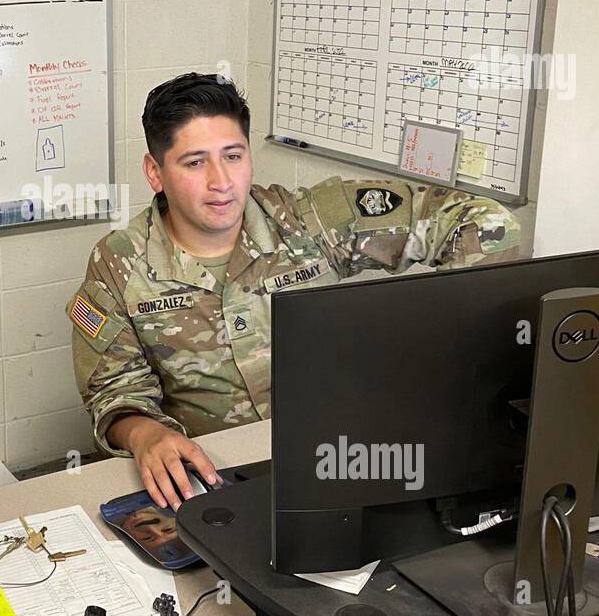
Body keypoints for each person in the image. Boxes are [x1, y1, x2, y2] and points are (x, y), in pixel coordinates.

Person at [69, 73, 520, 509]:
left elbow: (485, 222)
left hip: (340, 462)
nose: (221, 181)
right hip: (215, 479)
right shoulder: (119, 263)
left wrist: (439, 350)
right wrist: (146, 435)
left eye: (233, 156)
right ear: (155, 172)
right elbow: (114, 393)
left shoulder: (308, 221)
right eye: (194, 162)